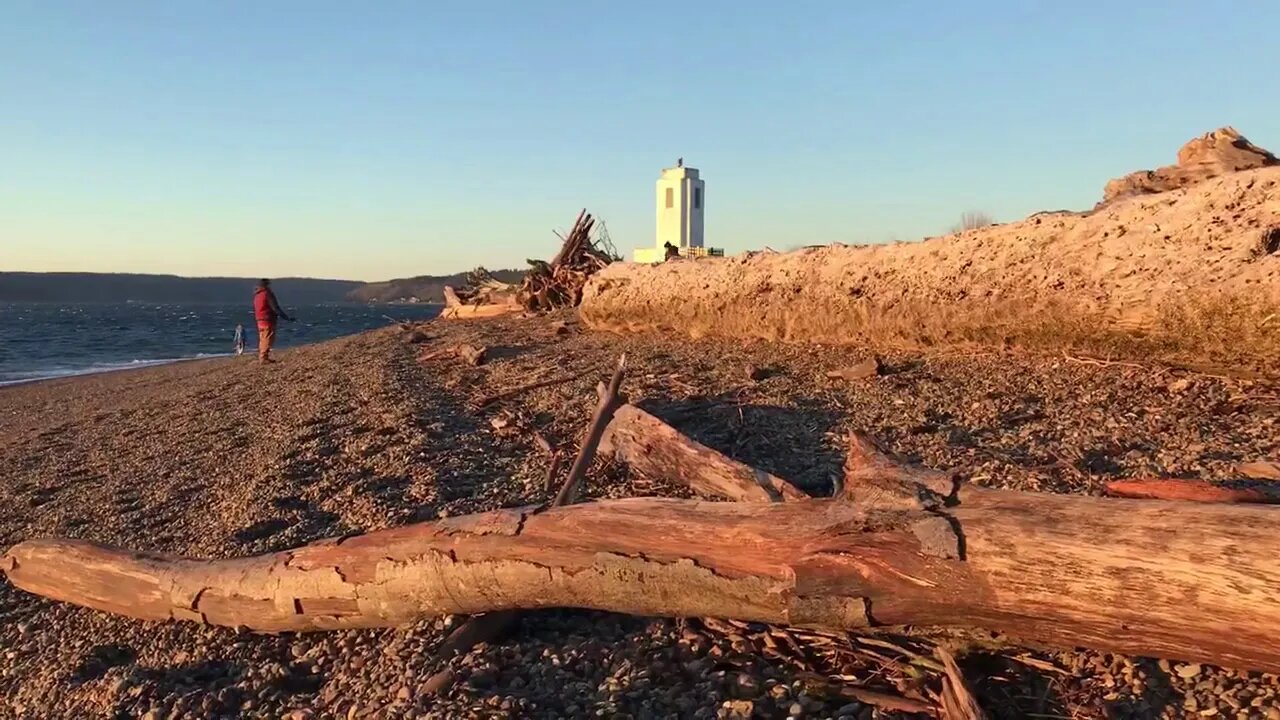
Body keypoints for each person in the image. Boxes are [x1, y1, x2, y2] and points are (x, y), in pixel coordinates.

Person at [253, 279, 294, 363]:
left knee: (262, 338)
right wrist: (286, 317)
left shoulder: (257, 295)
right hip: (268, 319)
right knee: (268, 338)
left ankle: (262, 355)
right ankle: (263, 357)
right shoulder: (267, 294)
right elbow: (275, 308)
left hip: (259, 319)